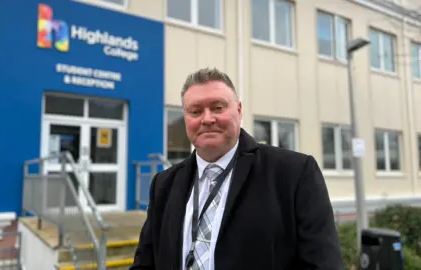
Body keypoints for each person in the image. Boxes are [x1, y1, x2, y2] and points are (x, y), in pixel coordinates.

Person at [130, 67, 344, 270]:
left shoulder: (294, 173)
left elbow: (323, 263)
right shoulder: (164, 184)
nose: (207, 119)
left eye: (217, 107)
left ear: (239, 111)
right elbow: (146, 263)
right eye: (195, 111)